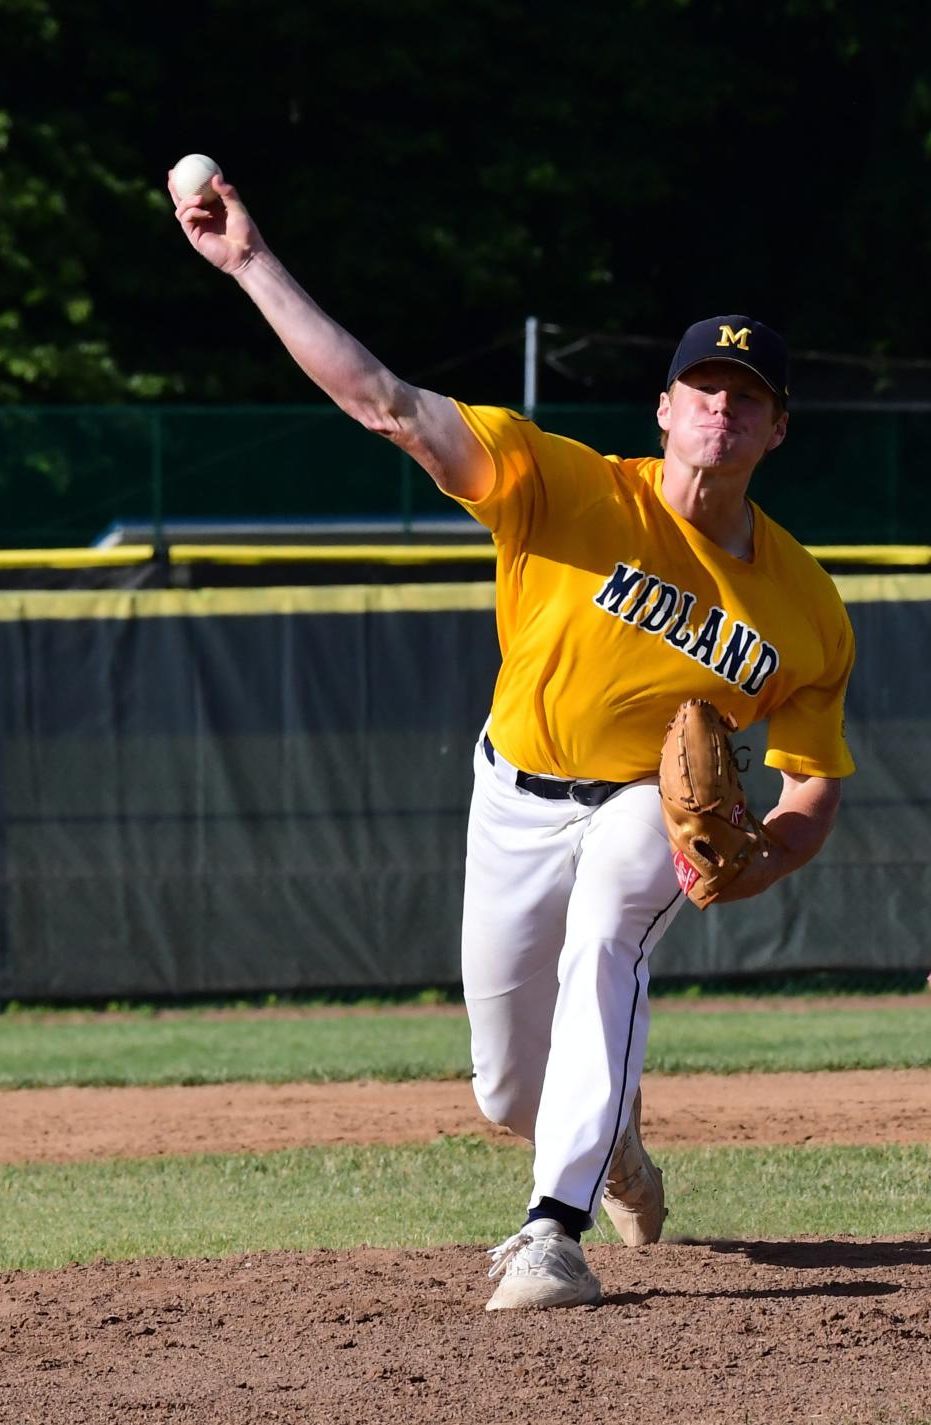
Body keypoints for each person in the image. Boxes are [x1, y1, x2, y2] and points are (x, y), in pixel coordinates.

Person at [170, 171, 855, 1312]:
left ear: (778, 427)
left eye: (747, 395)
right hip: (515, 795)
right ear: (664, 407)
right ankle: (611, 1149)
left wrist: (759, 860)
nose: (721, 409)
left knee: (612, 934)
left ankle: (553, 1231)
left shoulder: (807, 606)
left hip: (647, 802)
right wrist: (249, 265)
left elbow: (813, 784)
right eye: (703, 386)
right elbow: (386, 401)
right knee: (503, 1091)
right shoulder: (562, 486)